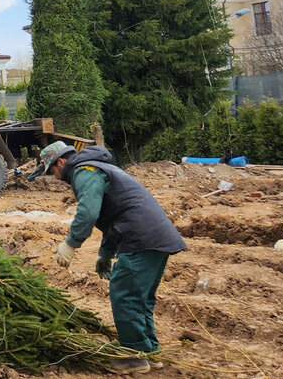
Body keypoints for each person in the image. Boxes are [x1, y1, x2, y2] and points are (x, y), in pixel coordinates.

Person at [35, 140, 185, 376]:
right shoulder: (96, 167)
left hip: (140, 239)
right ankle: (148, 352)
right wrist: (105, 253)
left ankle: (134, 357)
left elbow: (88, 212)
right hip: (153, 237)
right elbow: (113, 214)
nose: (54, 177)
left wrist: (71, 244)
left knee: (124, 294)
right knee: (140, 297)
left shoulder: (84, 171)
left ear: (61, 162)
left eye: (52, 170)